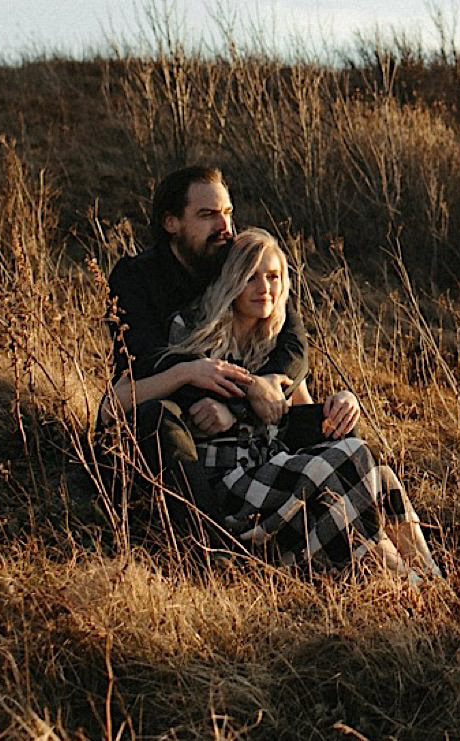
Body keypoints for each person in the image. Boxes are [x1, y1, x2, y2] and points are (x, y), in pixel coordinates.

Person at [165, 228, 441, 578]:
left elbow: (300, 411)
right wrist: (243, 403)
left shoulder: (275, 340)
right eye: (251, 277)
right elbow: (188, 405)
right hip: (229, 481)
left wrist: (341, 401)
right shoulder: (195, 328)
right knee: (348, 457)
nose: (264, 288)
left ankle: (429, 577)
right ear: (231, 279)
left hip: (275, 468)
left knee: (377, 474)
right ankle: (405, 581)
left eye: (273, 277)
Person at [98, 166, 308, 523]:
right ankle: (209, 544)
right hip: (162, 413)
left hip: (239, 422)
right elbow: (144, 364)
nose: (224, 227)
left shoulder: (235, 260)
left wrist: (257, 391)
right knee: (159, 419)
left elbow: (292, 345)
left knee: (336, 421)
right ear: (171, 223)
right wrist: (211, 381)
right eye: (208, 215)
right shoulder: (136, 279)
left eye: (227, 213)